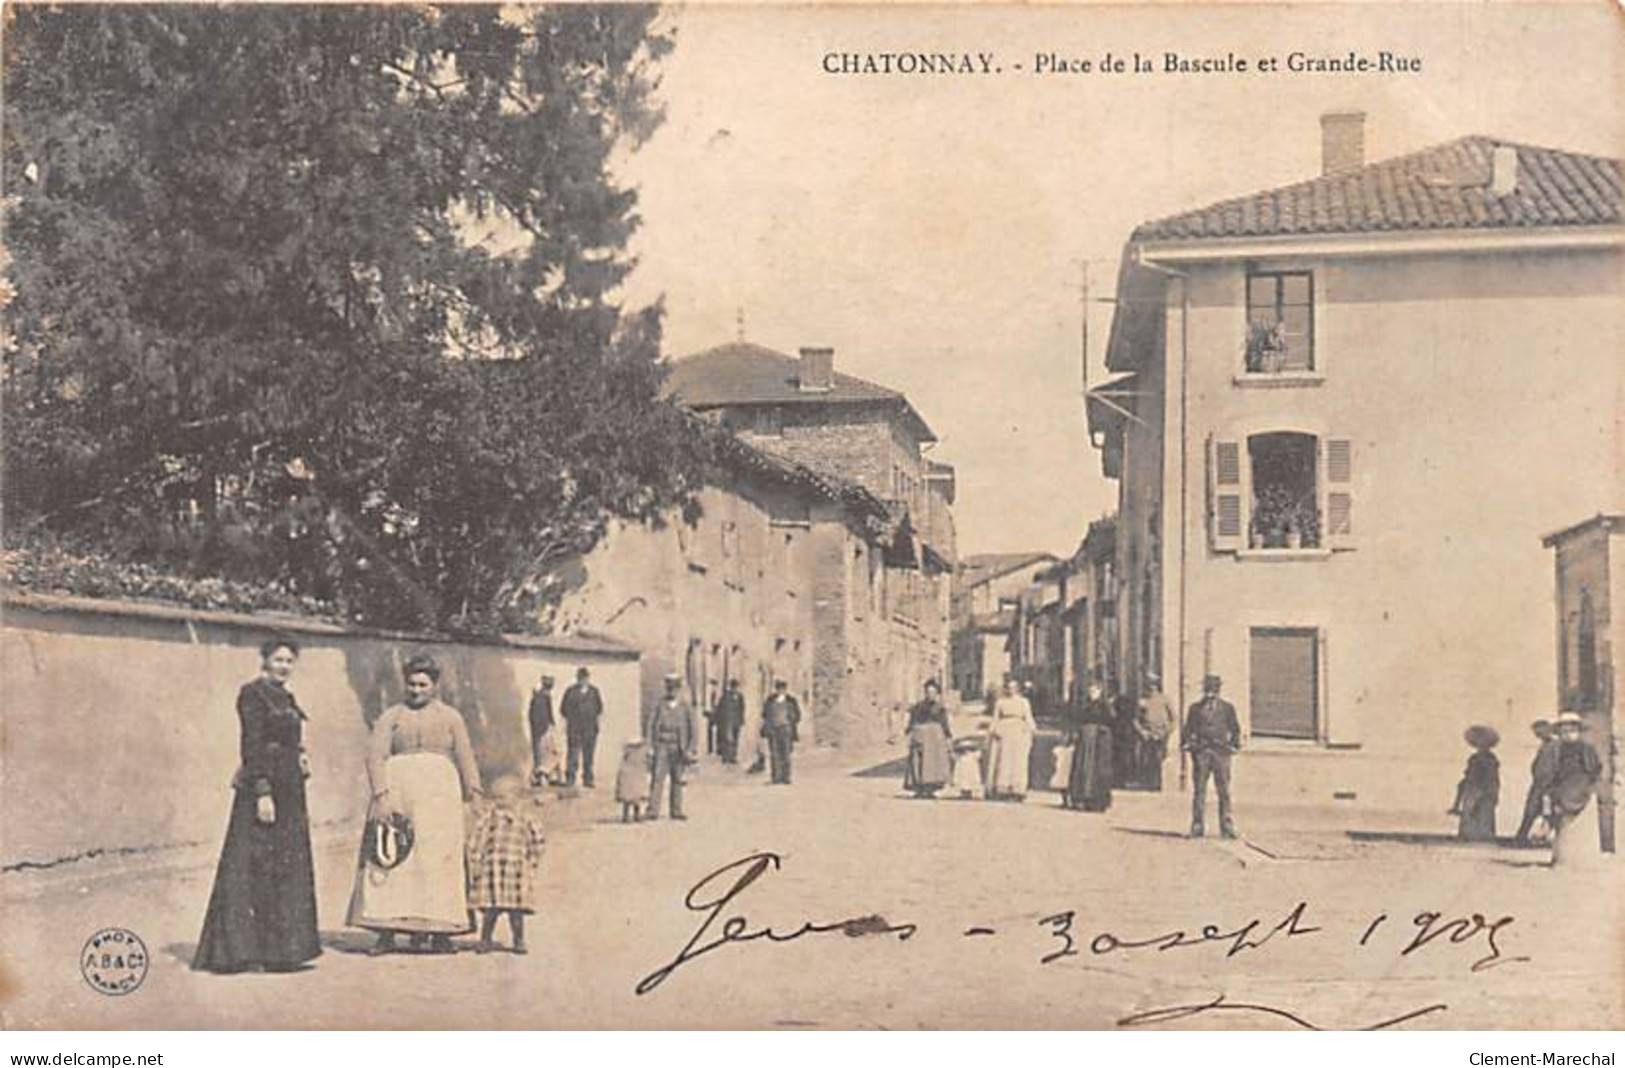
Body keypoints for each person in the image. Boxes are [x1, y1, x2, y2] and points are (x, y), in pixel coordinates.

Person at [193, 637, 321, 973]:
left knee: (284, 865)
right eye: (278, 660)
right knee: (257, 866)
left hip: (291, 788)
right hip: (264, 786)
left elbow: (289, 735)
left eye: (289, 661)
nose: (284, 666)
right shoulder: (253, 693)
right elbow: (251, 745)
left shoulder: (286, 695)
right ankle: (247, 952)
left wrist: (302, 755)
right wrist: (262, 792)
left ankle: (282, 952)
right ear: (264, 660)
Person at [347, 654, 483, 955]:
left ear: (435, 685)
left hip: (439, 796)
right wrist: (381, 796)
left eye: (423, 684)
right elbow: (375, 756)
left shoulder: (451, 717)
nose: (416, 690)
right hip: (399, 792)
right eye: (411, 684)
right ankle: (385, 931)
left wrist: (475, 793)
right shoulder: (391, 716)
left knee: (437, 859)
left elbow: (465, 756)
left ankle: (440, 931)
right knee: (393, 857)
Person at [467, 775, 545, 955]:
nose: (497, 801)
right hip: (493, 869)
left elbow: (537, 840)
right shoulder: (490, 817)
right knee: (490, 910)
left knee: (515, 911)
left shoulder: (526, 819)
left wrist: (533, 860)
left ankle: (518, 939)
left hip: (514, 870)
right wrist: (476, 858)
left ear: (516, 797)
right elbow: (478, 837)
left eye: (502, 797)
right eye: (495, 797)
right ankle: (485, 939)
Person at [1184, 673, 1241, 839]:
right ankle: (1197, 825)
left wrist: (1233, 745)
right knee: (1199, 790)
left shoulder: (1227, 708)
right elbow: (1188, 729)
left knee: (1223, 790)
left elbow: (1235, 728)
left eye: (1214, 689)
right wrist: (1189, 744)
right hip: (1202, 753)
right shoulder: (1195, 708)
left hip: (1221, 753)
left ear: (1219, 690)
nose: (1210, 693)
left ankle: (1227, 825)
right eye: (1208, 689)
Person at [1545, 711, 1603, 868]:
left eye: (1572, 730)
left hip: (1582, 790)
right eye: (1564, 731)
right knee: (1562, 826)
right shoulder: (1557, 750)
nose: (1568, 735)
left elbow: (1594, 768)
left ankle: (1583, 860)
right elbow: (1552, 770)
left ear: (1578, 731)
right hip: (1562, 790)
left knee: (1581, 827)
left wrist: (1587, 786)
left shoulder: (1586, 749)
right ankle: (1562, 859)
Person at [643, 672, 698, 819]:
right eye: (669, 688)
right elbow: (650, 725)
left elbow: (692, 728)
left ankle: (676, 810)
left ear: (679, 689)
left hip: (679, 747)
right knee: (657, 778)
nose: (672, 691)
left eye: (674, 688)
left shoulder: (684, 706)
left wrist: (691, 748)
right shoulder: (659, 705)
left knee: (677, 779)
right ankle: (652, 810)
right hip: (662, 745)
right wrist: (650, 746)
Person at [1062, 679, 1114, 812]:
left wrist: (1101, 730)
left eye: (1095, 691)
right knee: (1083, 767)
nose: (1092, 693)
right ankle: (1082, 797)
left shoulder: (1104, 706)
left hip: (1099, 741)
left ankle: (1097, 799)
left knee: (1098, 769)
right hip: (1085, 739)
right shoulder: (1085, 705)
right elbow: (1077, 718)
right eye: (1090, 691)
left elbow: (1111, 720)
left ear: (1100, 692)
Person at [984, 677, 1035, 801]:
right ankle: (1003, 789)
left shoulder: (1023, 702)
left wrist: (1030, 730)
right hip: (1004, 731)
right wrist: (993, 731)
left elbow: (1028, 717)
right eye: (1009, 688)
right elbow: (995, 718)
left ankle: (1017, 789)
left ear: (1018, 689)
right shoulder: (1000, 702)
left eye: (1014, 688)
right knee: (1004, 759)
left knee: (1018, 760)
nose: (1011, 690)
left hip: (1018, 731)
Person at [1448, 725, 1501, 842]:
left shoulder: (1491, 759)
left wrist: (1491, 792)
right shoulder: (1474, 758)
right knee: (1470, 813)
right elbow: (1468, 774)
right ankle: (1470, 836)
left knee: (1482, 814)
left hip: (1483, 790)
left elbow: (1492, 778)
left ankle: (1480, 837)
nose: (1480, 745)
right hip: (1472, 789)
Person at [904, 680, 953, 798]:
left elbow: (944, 724)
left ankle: (931, 789)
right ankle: (919, 788)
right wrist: (909, 731)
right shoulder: (918, 707)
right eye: (928, 692)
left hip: (936, 738)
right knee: (919, 762)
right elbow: (912, 720)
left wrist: (948, 738)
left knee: (934, 764)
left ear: (937, 694)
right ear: (925, 693)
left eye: (933, 692)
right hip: (921, 735)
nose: (930, 694)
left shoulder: (940, 708)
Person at [1514, 719, 1560, 845]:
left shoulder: (1555, 745)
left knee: (1548, 812)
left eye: (1538, 732)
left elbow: (1555, 765)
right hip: (1538, 784)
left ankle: (1551, 838)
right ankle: (1521, 837)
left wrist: (1551, 782)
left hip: (1548, 784)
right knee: (1531, 810)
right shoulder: (1545, 745)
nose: (1537, 735)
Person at [561, 666, 604, 788]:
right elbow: (563, 709)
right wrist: (573, 719)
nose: (583, 680)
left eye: (585, 678)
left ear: (588, 678)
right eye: (580, 678)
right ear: (577, 679)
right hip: (575, 729)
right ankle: (570, 778)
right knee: (573, 754)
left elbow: (599, 709)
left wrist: (593, 721)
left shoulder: (594, 692)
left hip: (590, 729)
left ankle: (588, 779)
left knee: (589, 755)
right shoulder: (571, 692)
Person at [1134, 678, 1177, 791]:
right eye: (1149, 687)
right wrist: (1142, 731)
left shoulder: (1165, 700)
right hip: (1147, 735)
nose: (1152, 689)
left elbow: (1174, 719)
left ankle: (1158, 783)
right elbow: (1135, 719)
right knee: (1146, 759)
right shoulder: (1143, 701)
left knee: (1159, 758)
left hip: (1161, 734)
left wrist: (1166, 731)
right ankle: (1148, 782)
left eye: (1154, 686)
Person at [761, 679, 802, 785]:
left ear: (785, 690)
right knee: (774, 754)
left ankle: (786, 777)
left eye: (782, 689)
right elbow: (764, 714)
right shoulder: (770, 700)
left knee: (786, 754)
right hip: (773, 730)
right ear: (776, 689)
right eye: (779, 689)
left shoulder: (791, 700)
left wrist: (790, 722)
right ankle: (776, 777)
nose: (780, 691)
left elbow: (797, 716)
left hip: (786, 730)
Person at [527, 675, 559, 787]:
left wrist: (551, 725)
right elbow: (536, 717)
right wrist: (542, 729)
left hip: (544, 730)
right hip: (541, 731)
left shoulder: (544, 697)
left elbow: (549, 714)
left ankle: (547, 776)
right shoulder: (539, 698)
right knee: (542, 755)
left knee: (548, 753)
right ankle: (540, 777)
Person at [615, 736, 652, 822]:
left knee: (632, 797)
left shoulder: (628, 754)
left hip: (633, 774)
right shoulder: (641, 754)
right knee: (633, 796)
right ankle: (632, 815)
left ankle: (630, 815)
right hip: (634, 774)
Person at [714, 679, 746, 765]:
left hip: (736, 721)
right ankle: (726, 757)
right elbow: (720, 709)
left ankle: (733, 757)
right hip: (727, 721)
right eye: (733, 687)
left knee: (735, 739)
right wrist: (720, 720)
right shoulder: (725, 696)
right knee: (727, 739)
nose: (734, 689)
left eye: (736, 687)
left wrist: (742, 719)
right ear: (731, 687)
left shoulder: (740, 696)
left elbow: (742, 708)